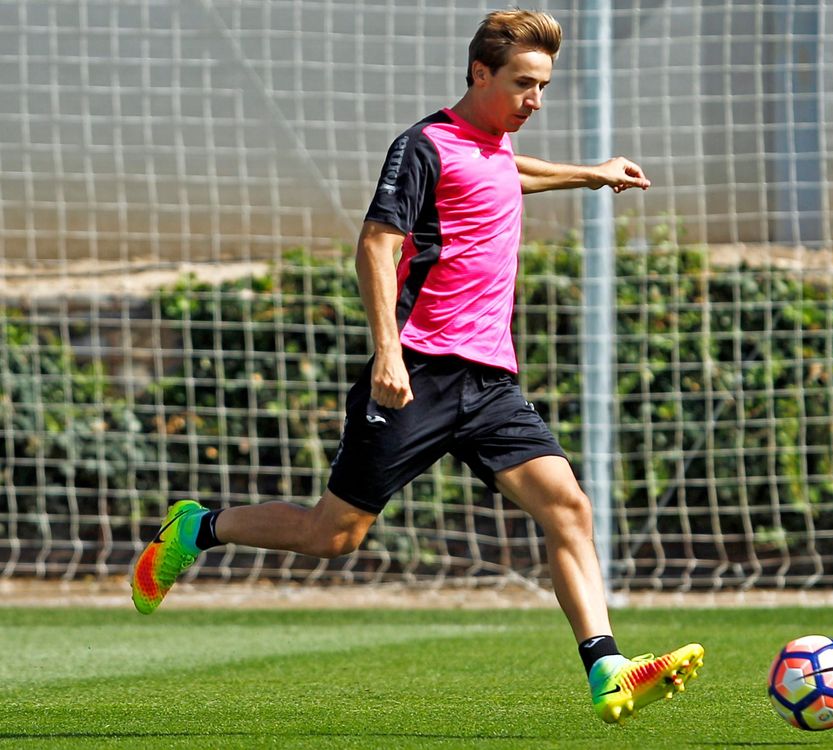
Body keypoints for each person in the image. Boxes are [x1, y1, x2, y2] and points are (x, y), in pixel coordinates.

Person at [131, 8, 703, 725]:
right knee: (331, 536)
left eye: (545, 85)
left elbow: (502, 174)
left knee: (568, 506)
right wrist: (388, 354)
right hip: (417, 373)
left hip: (489, 380)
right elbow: (375, 244)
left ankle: (606, 669)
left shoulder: (493, 148)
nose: (536, 100)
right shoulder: (422, 145)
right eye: (525, 83)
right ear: (479, 73)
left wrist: (589, 173)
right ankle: (199, 527)